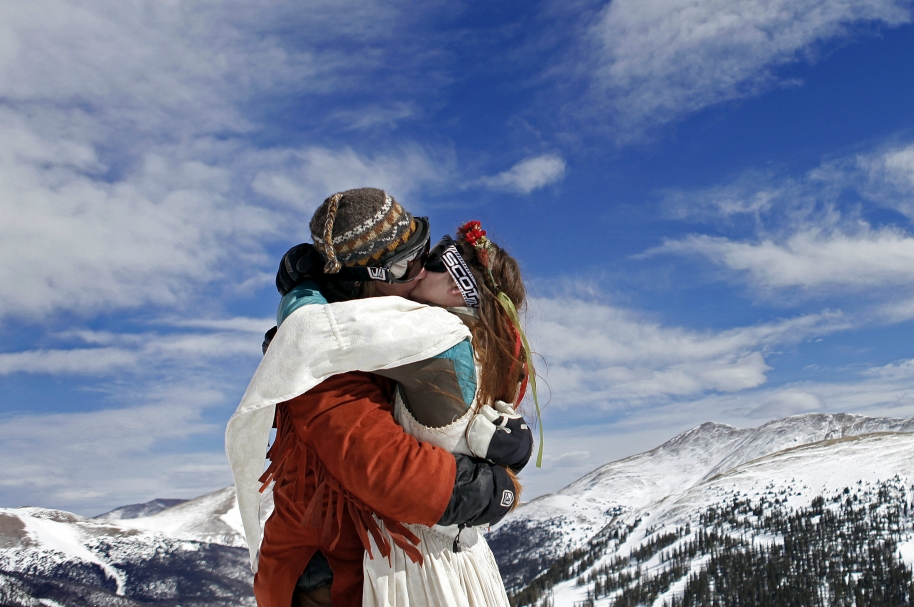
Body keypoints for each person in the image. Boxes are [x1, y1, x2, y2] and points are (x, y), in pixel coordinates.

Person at [225, 189, 520, 607]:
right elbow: (388, 471)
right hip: (326, 580)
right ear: (362, 281)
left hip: (372, 562)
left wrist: (500, 439)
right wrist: (484, 488)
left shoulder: (383, 333)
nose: (419, 273)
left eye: (425, 253)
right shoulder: (320, 360)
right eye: (404, 265)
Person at [358, 220, 540, 607]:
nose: (419, 266)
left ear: (458, 285)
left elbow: (334, 337)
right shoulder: (488, 349)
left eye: (436, 258)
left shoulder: (433, 338)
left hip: (416, 562)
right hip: (469, 558)